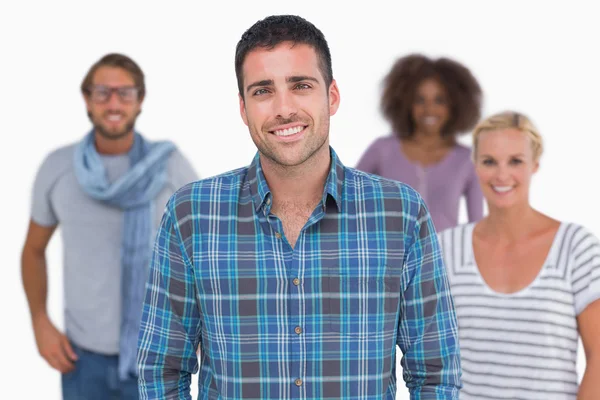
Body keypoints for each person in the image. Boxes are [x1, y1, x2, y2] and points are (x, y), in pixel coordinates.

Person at [137, 15, 461, 399]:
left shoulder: (401, 214)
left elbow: (435, 374)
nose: (283, 108)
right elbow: (162, 371)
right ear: (243, 109)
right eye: (262, 91)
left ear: (332, 96)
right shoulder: (191, 215)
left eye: (300, 85)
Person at [21, 53, 198, 399]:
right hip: (81, 359)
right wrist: (40, 321)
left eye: (125, 93)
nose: (113, 102)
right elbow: (33, 249)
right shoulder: (58, 168)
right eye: (102, 92)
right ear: (87, 98)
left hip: (158, 355)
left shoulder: (170, 168)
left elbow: (207, 253)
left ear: (140, 100)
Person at [438, 111, 600, 399]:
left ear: (534, 164)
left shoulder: (576, 247)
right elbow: (429, 356)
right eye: (489, 161)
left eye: (515, 161)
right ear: (474, 165)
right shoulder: (446, 248)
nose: (502, 175)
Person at [356, 54, 484, 232]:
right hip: (389, 256)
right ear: (406, 104)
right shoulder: (383, 150)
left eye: (439, 100)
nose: (429, 109)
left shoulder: (467, 160)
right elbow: (347, 200)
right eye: (420, 100)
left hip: (444, 258)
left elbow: (477, 227)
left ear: (454, 105)